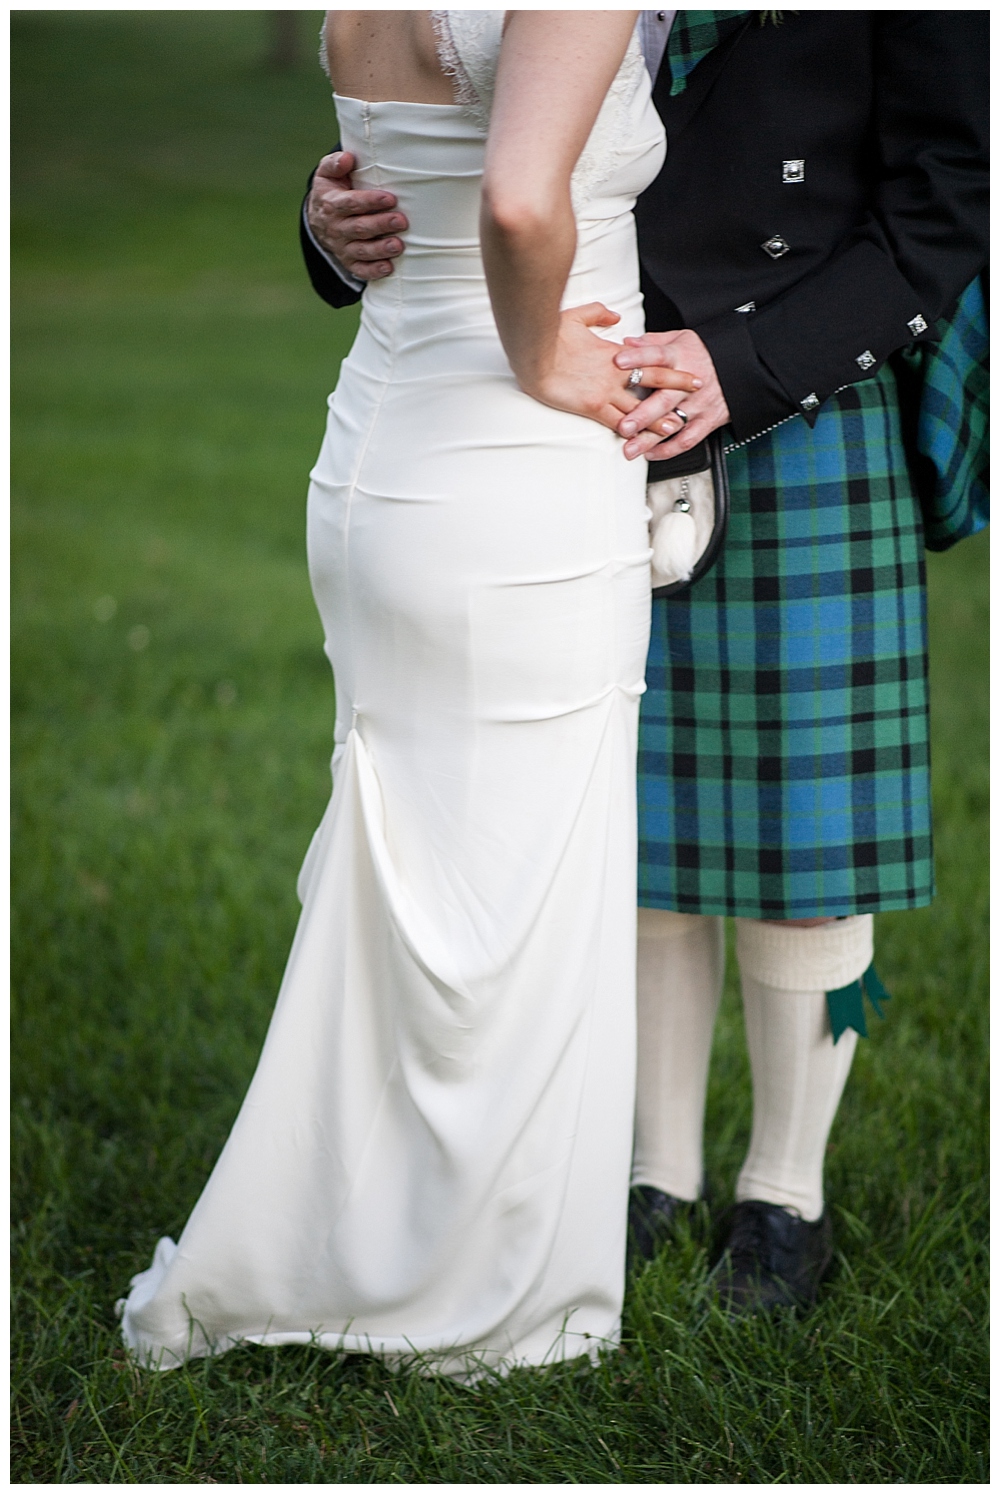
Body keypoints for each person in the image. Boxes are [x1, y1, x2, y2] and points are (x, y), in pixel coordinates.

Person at [300, 10, 989, 1311]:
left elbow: (952, 193)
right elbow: (449, 92)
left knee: (808, 825)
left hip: (794, 383)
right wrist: (333, 215)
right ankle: (650, 1172)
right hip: (574, 385)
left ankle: (786, 1194)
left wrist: (750, 366)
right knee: (635, 806)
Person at [118, 10, 702, 1376]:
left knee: (426, 885)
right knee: (514, 892)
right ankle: (491, 1297)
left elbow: (389, 160)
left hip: (384, 454)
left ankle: (352, 1231)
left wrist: (330, 230)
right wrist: (545, 355)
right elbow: (513, 197)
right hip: (514, 471)